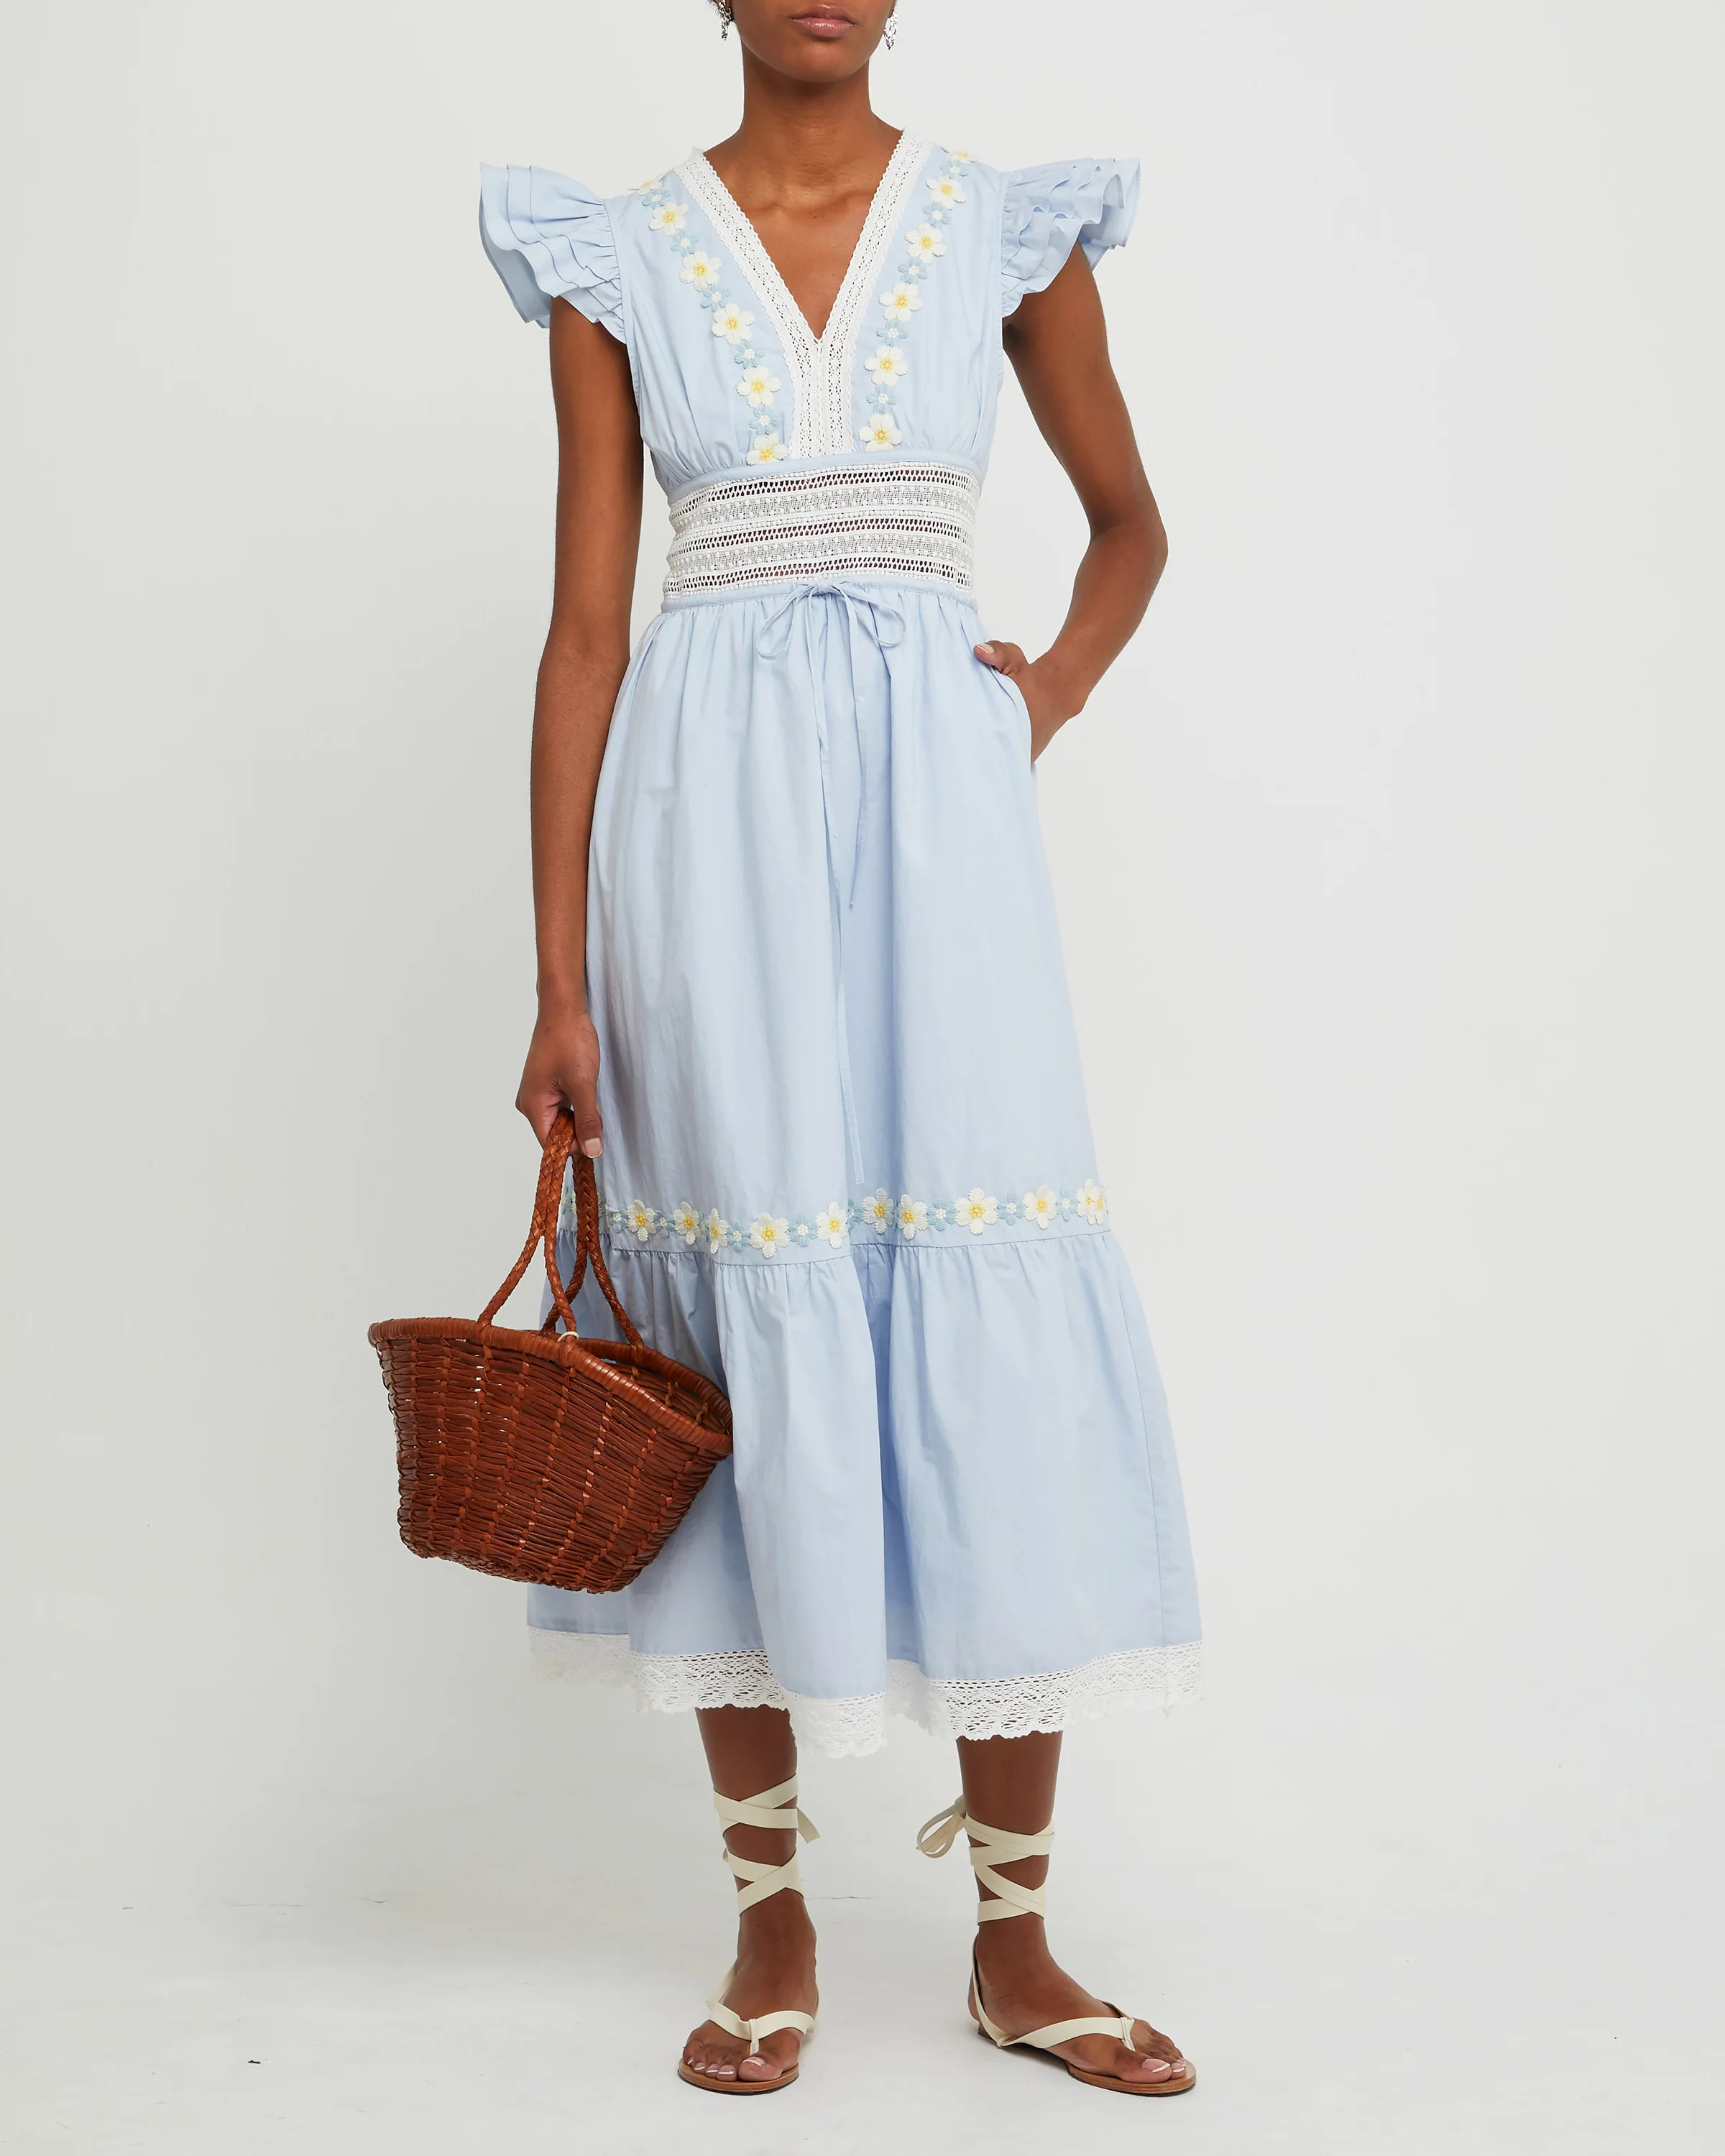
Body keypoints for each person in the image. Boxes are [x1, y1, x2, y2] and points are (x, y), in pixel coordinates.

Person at [478, 0, 1200, 2099]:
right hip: (699, 827)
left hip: (938, 827)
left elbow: (1131, 524)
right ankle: (770, 1909)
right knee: (738, 1305)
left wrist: (1038, 696)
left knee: (983, 1283)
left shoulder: (1004, 232)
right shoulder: (614, 258)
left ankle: (1018, 1939)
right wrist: (558, 982)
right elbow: (589, 633)